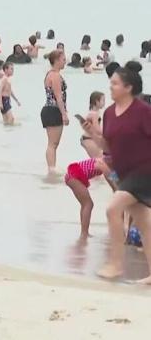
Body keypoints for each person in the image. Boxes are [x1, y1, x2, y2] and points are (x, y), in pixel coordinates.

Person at [81, 65, 151, 283]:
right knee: (144, 222)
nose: (110, 86)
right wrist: (92, 133)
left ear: (128, 87)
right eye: (110, 83)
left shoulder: (143, 111)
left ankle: (116, 265)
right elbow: (108, 146)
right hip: (125, 173)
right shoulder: (109, 113)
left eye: (115, 83)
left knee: (113, 209)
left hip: (144, 171)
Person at [64, 157, 115, 240]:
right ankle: (84, 233)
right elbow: (112, 180)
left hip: (72, 175)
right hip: (74, 176)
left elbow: (112, 179)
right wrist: (117, 190)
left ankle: (84, 232)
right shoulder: (104, 164)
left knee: (85, 204)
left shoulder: (103, 162)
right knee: (88, 204)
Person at [41, 50, 69, 175]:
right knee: (53, 144)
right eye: (63, 60)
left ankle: (51, 168)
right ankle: (51, 169)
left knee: (52, 143)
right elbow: (58, 96)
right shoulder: (55, 75)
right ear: (57, 60)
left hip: (49, 109)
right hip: (53, 110)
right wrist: (64, 114)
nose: (65, 62)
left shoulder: (50, 74)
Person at [80, 91, 105, 159]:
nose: (104, 103)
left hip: (89, 139)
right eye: (103, 100)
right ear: (97, 102)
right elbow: (97, 130)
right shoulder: (94, 114)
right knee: (99, 159)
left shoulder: (94, 113)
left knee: (99, 159)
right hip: (88, 139)